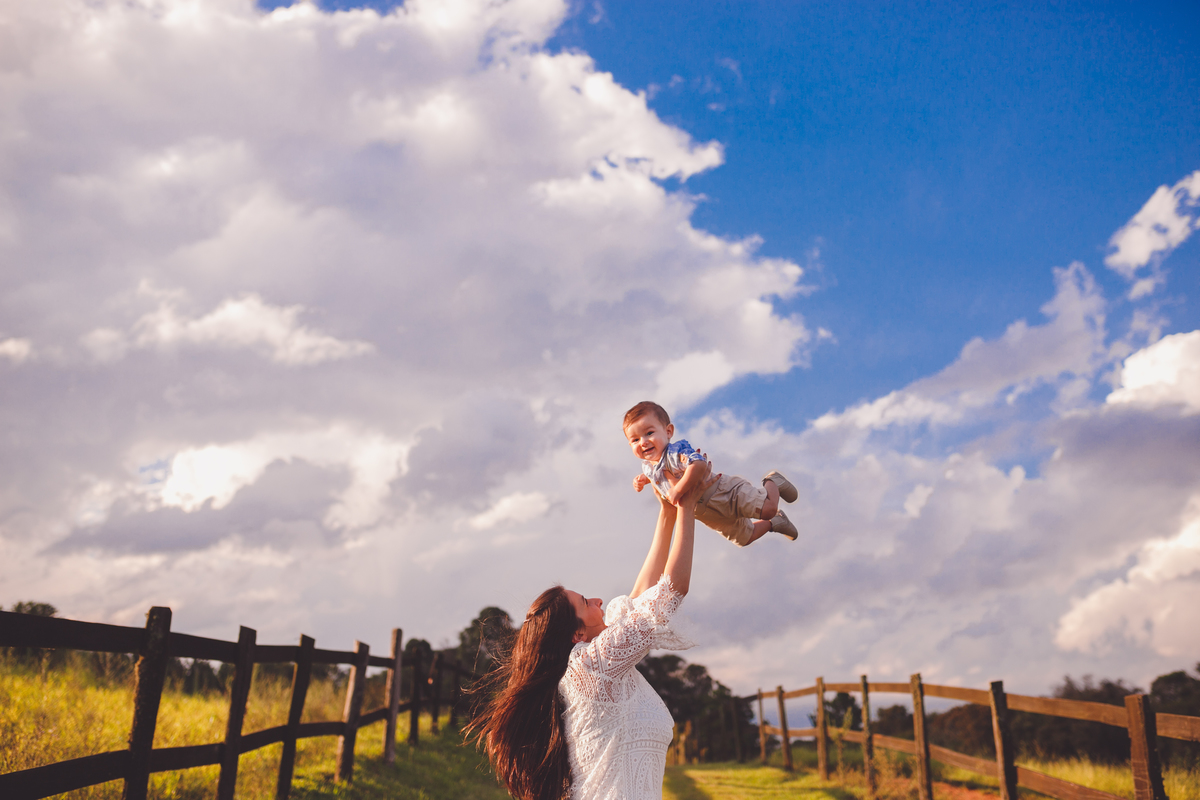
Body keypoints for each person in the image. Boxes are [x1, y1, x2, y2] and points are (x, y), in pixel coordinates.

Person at [468, 464, 715, 800]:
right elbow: (669, 592)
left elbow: (641, 598)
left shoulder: (595, 663)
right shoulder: (593, 664)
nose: (599, 599)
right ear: (576, 635)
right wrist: (687, 505)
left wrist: (667, 511)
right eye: (586, 602)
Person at [624, 400, 799, 546]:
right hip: (706, 513)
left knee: (768, 509)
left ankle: (772, 481)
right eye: (635, 440)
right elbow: (658, 475)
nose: (643, 442)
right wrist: (644, 479)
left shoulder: (675, 452)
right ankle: (776, 523)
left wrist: (678, 490)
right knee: (746, 538)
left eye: (649, 433)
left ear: (668, 431)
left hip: (724, 492)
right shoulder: (648, 467)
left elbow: (698, 463)